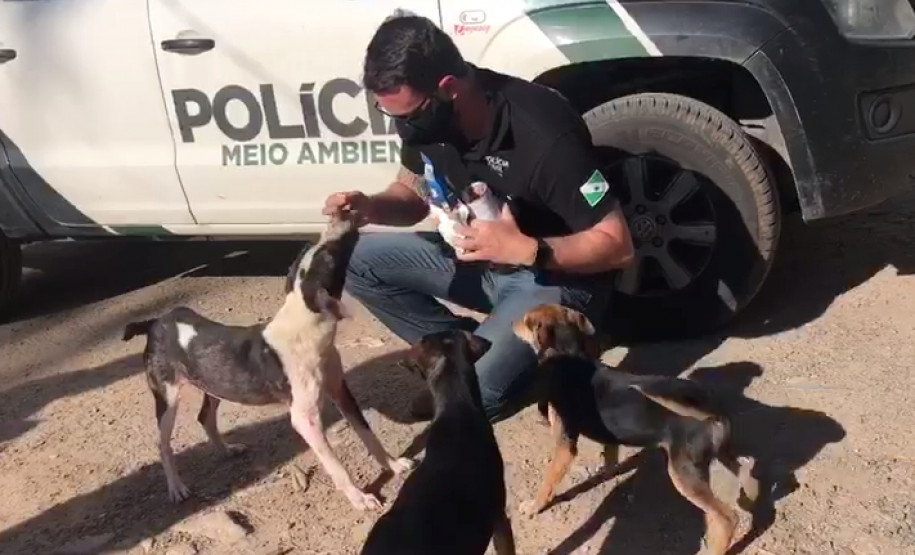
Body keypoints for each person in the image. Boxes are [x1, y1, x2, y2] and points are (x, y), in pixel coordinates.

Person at [323, 12, 635, 422]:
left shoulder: (542, 132)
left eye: (408, 114)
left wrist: (530, 250)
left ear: (447, 89)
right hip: (484, 261)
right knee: (354, 261)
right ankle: (470, 351)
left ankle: (528, 366)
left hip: (555, 278)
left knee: (469, 399)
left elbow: (619, 245)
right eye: (391, 115)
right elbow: (414, 193)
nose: (402, 126)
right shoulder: (428, 125)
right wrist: (373, 207)